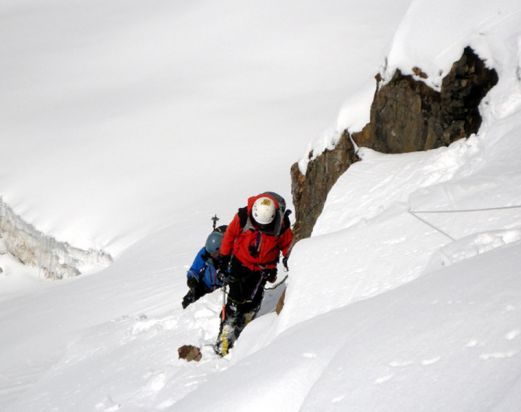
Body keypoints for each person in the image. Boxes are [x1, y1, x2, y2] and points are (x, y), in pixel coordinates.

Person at [214, 193, 293, 356]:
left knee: (254, 299)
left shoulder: (281, 224)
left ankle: (246, 326)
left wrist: (290, 257)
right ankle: (226, 332)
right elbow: (230, 236)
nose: (261, 228)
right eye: (258, 224)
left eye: (265, 225)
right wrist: (223, 258)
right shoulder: (243, 216)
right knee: (235, 297)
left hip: (263, 269)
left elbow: (287, 244)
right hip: (240, 262)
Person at [181, 225, 227, 309]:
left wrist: (225, 276)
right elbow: (194, 269)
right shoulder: (206, 251)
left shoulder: (230, 256)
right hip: (205, 285)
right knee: (186, 303)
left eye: (214, 253)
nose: (211, 255)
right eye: (210, 252)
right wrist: (192, 278)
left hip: (221, 289)